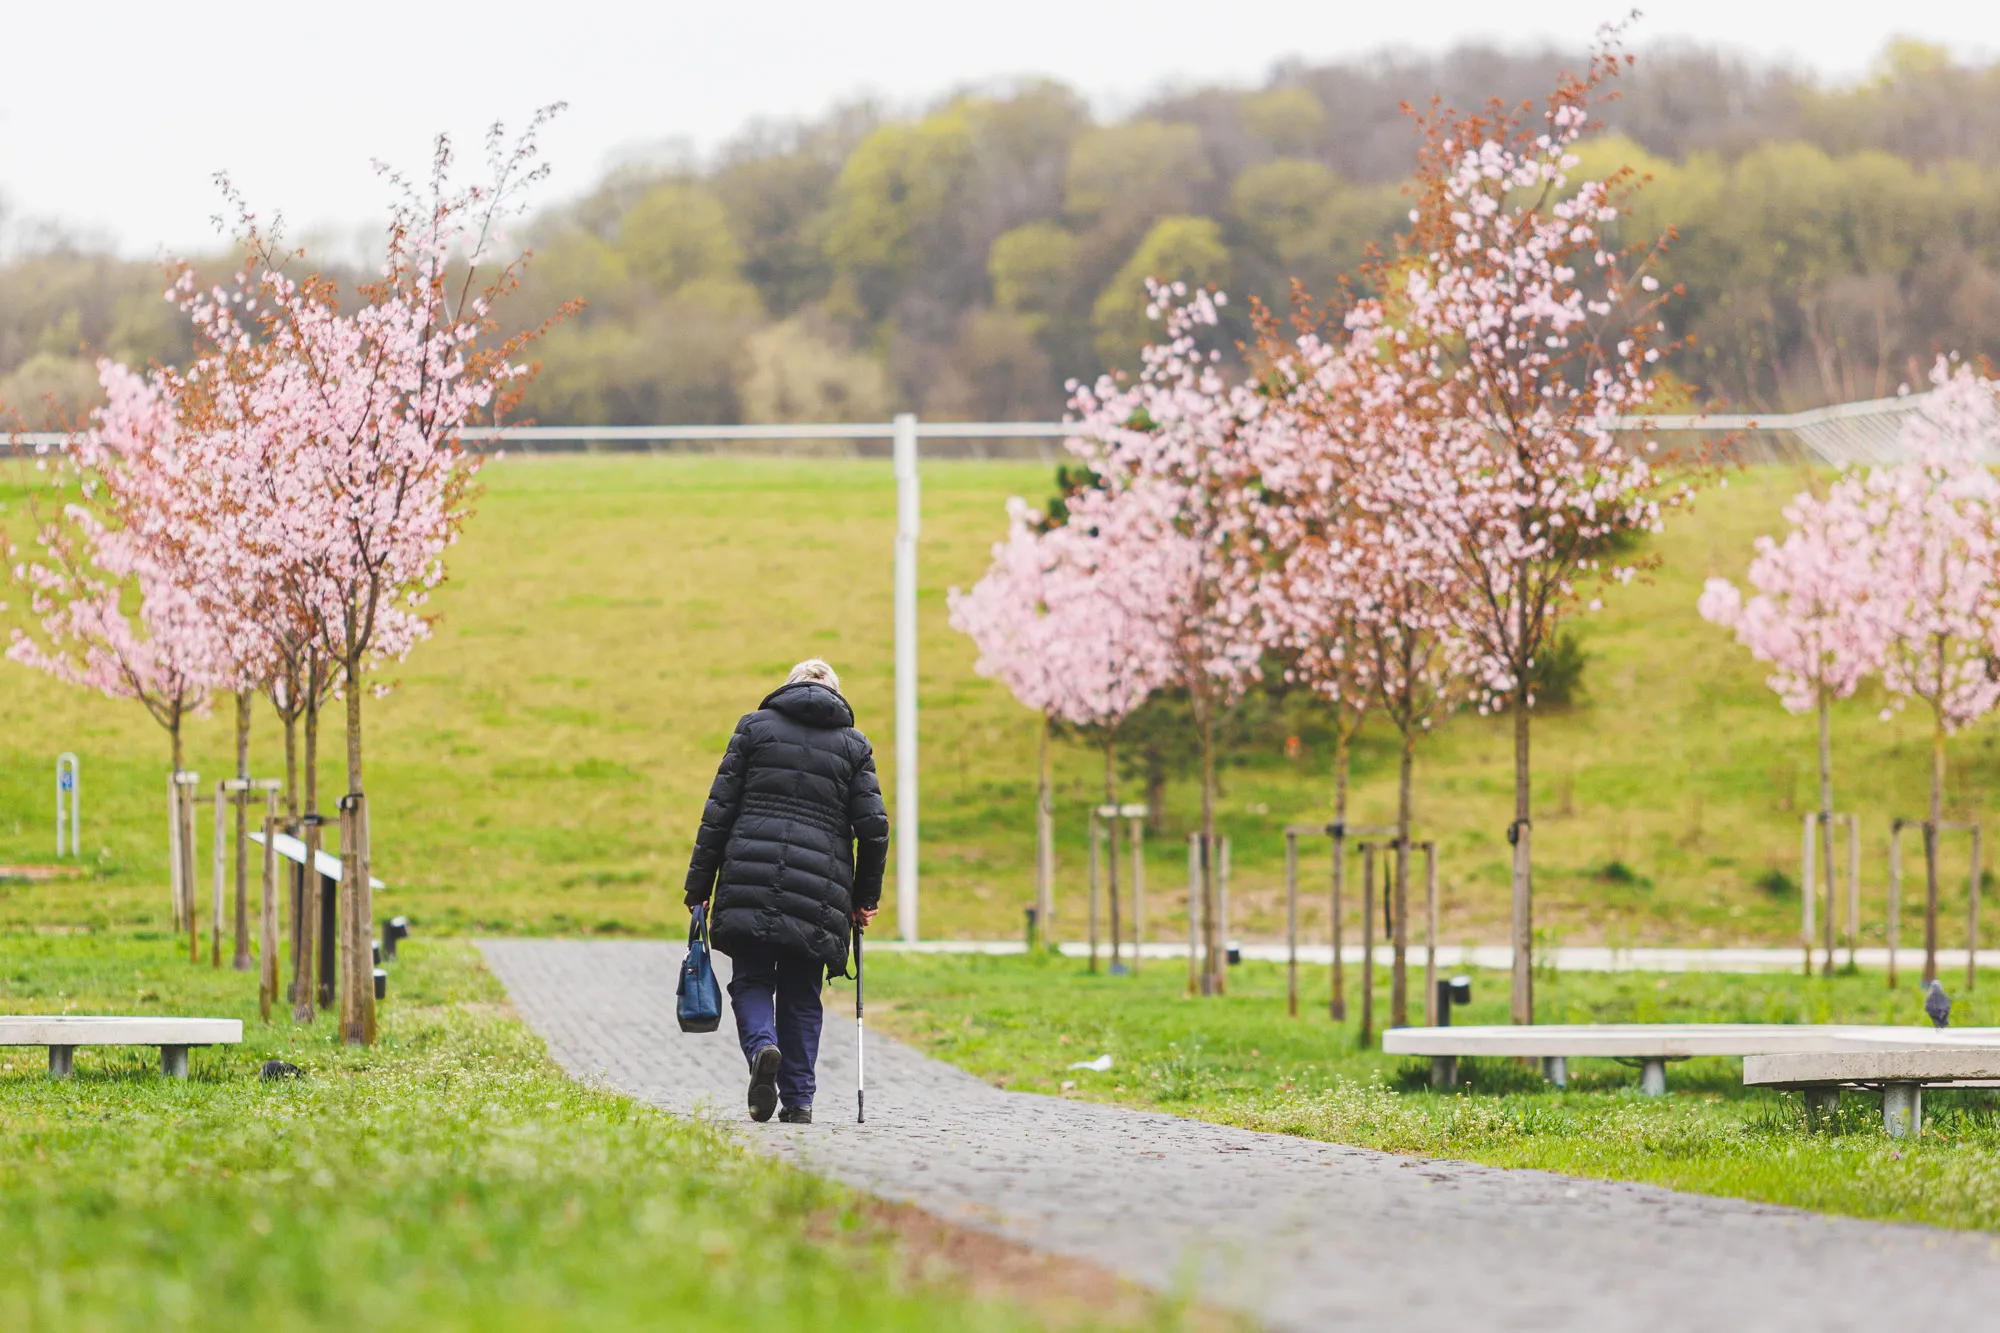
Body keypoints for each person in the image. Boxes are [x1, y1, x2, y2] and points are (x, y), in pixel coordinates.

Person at [684, 658, 887, 1123]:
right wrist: (864, 900)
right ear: (836, 694)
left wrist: (698, 887)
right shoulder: (854, 746)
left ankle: (762, 1048)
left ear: (787, 688)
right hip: (821, 891)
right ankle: (798, 1102)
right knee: (801, 992)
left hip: (748, 877)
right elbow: (874, 830)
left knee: (752, 978)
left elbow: (718, 812)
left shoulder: (754, 729)